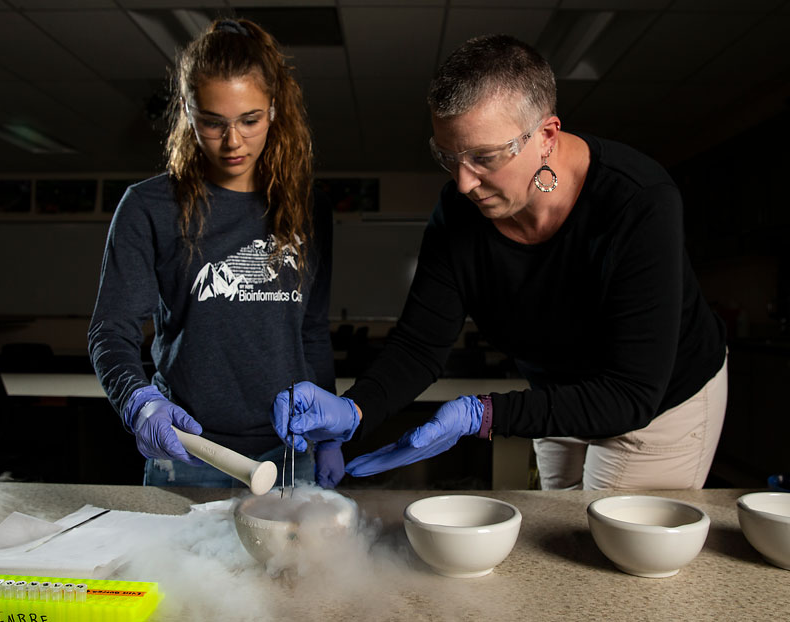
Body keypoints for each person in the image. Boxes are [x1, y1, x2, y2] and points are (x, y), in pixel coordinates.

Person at [271, 34, 728, 491]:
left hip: (657, 403)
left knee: (605, 545)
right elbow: (419, 346)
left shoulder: (638, 202)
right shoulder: (457, 214)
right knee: (556, 531)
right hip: (557, 395)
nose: (464, 182)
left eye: (484, 158)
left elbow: (631, 393)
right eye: (449, 157)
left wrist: (482, 414)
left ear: (546, 135)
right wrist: (356, 410)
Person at [88, 18, 336, 488]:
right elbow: (110, 330)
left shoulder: (309, 206)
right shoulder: (148, 207)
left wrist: (328, 432)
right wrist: (140, 402)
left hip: (290, 452)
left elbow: (312, 332)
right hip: (190, 451)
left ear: (275, 110)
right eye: (212, 122)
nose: (233, 141)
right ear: (186, 111)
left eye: (250, 119)